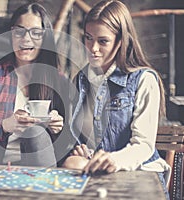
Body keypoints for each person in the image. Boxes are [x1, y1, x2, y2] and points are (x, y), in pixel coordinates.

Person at [62, 0, 170, 198]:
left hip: (137, 174)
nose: (93, 48)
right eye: (88, 38)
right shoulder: (80, 80)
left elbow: (143, 146)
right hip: (98, 176)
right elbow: (82, 137)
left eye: (103, 41)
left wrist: (113, 160)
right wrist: (80, 150)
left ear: (121, 40)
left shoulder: (144, 80)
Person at [0, 3, 65, 167]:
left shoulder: (56, 79)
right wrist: (4, 126)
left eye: (36, 33)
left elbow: (68, 145)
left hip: (39, 166)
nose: (26, 39)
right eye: (19, 31)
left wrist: (57, 128)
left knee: (36, 133)